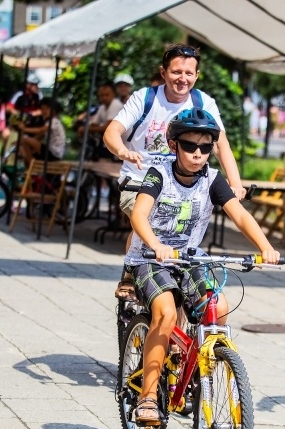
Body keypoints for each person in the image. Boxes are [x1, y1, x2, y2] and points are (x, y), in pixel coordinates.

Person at [126, 108, 280, 425]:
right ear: (173, 145)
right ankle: (149, 397)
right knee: (166, 313)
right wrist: (155, 245)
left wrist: (265, 247)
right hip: (151, 259)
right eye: (190, 146)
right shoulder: (159, 174)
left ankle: (192, 370)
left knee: (219, 307)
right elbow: (139, 215)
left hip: (190, 258)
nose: (198, 154)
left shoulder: (212, 179)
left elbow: (239, 215)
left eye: (206, 147)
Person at [103, 43, 246, 300]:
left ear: (197, 75)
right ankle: (130, 271)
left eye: (189, 73)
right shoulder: (144, 97)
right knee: (148, 218)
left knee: (183, 228)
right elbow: (111, 132)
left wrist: (236, 183)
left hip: (183, 180)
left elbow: (221, 144)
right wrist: (123, 151)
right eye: (177, 72)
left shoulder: (204, 102)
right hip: (141, 177)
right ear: (163, 72)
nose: (183, 79)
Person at [77, 82, 123, 161]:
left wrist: (86, 129)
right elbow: (94, 125)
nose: (104, 98)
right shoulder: (102, 107)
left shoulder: (115, 104)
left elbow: (108, 127)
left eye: (107, 95)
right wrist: (88, 128)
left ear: (113, 95)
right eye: (101, 95)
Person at [16, 97, 66, 166]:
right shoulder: (48, 123)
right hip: (50, 152)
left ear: (54, 110)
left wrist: (24, 129)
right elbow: (38, 138)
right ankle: (30, 169)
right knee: (25, 149)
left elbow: (41, 131)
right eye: (42, 109)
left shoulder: (54, 121)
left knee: (25, 140)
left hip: (53, 154)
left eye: (47, 108)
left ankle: (32, 167)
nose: (44, 111)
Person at [0, 75, 42, 154]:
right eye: (34, 85)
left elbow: (42, 110)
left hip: (30, 126)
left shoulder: (38, 96)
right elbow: (8, 108)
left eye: (37, 85)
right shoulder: (19, 94)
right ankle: (6, 153)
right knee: (6, 135)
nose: (37, 87)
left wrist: (34, 113)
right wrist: (18, 113)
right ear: (28, 85)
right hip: (16, 124)